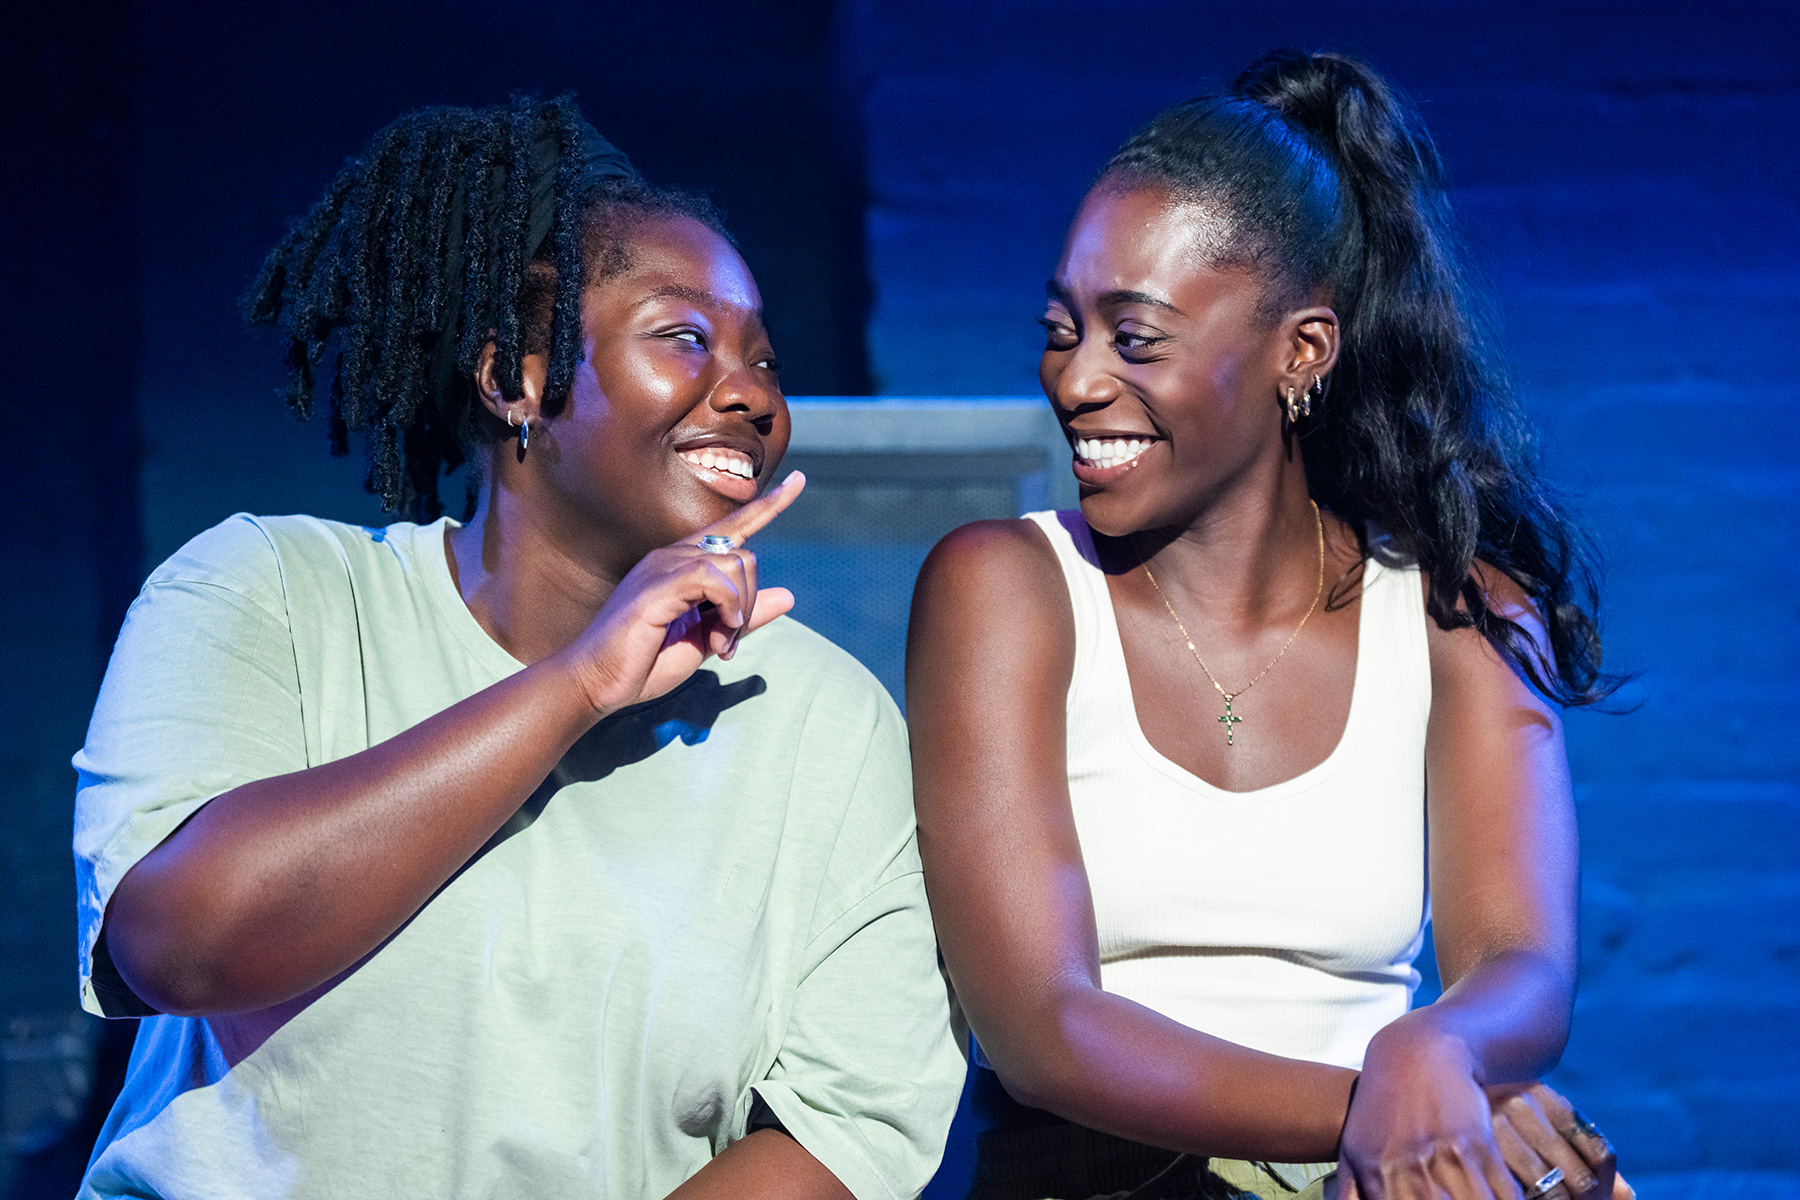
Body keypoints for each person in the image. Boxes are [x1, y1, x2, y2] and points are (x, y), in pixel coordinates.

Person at [73, 96, 963, 1200]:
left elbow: (845, 1128)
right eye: (686, 336)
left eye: (763, 359)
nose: (751, 395)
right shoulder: (273, 593)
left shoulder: (822, 718)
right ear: (513, 380)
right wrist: (578, 686)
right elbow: (181, 946)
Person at [907, 51, 1626, 1200]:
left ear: (1301, 353)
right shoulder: (1004, 587)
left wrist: (1435, 1055)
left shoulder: (1461, 614)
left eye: (1135, 338)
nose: (1076, 379)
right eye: (1061, 329)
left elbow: (1521, 966)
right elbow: (1043, 1028)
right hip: (1092, 1176)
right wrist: (1404, 1114)